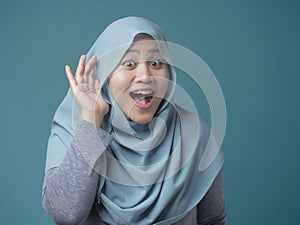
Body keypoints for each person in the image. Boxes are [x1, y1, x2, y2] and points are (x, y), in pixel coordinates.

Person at [42, 16, 226, 225]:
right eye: (129, 64)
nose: (145, 76)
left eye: (156, 63)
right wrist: (91, 120)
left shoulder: (196, 134)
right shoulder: (75, 128)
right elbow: (66, 216)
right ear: (105, 74)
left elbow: (213, 220)